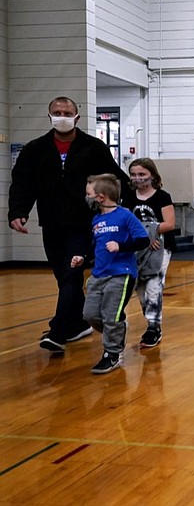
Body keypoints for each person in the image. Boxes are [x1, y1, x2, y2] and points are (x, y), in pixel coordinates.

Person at [8, 96, 133, 353]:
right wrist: (18, 211)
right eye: (57, 112)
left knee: (71, 273)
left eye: (66, 112)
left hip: (83, 223)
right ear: (49, 115)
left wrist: (130, 205)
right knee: (62, 275)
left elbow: (114, 178)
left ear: (76, 117)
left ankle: (58, 332)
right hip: (52, 223)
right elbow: (22, 183)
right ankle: (77, 323)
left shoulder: (93, 147)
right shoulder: (35, 149)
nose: (61, 116)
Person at [71, 174, 149, 374]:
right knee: (90, 314)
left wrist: (121, 246)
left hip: (121, 275)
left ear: (101, 197)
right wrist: (83, 258)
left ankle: (112, 353)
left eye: (89, 194)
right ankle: (117, 329)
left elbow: (143, 240)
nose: (86, 197)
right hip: (98, 275)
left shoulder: (125, 216)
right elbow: (95, 245)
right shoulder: (96, 219)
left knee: (110, 316)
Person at [124, 158, 175, 348]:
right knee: (141, 289)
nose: (137, 178)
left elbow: (169, 223)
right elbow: (127, 222)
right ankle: (150, 319)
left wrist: (150, 233)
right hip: (138, 248)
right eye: (134, 174)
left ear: (152, 175)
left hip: (160, 248)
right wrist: (145, 237)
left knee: (154, 286)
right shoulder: (128, 196)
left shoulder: (162, 196)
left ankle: (154, 326)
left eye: (142, 174)